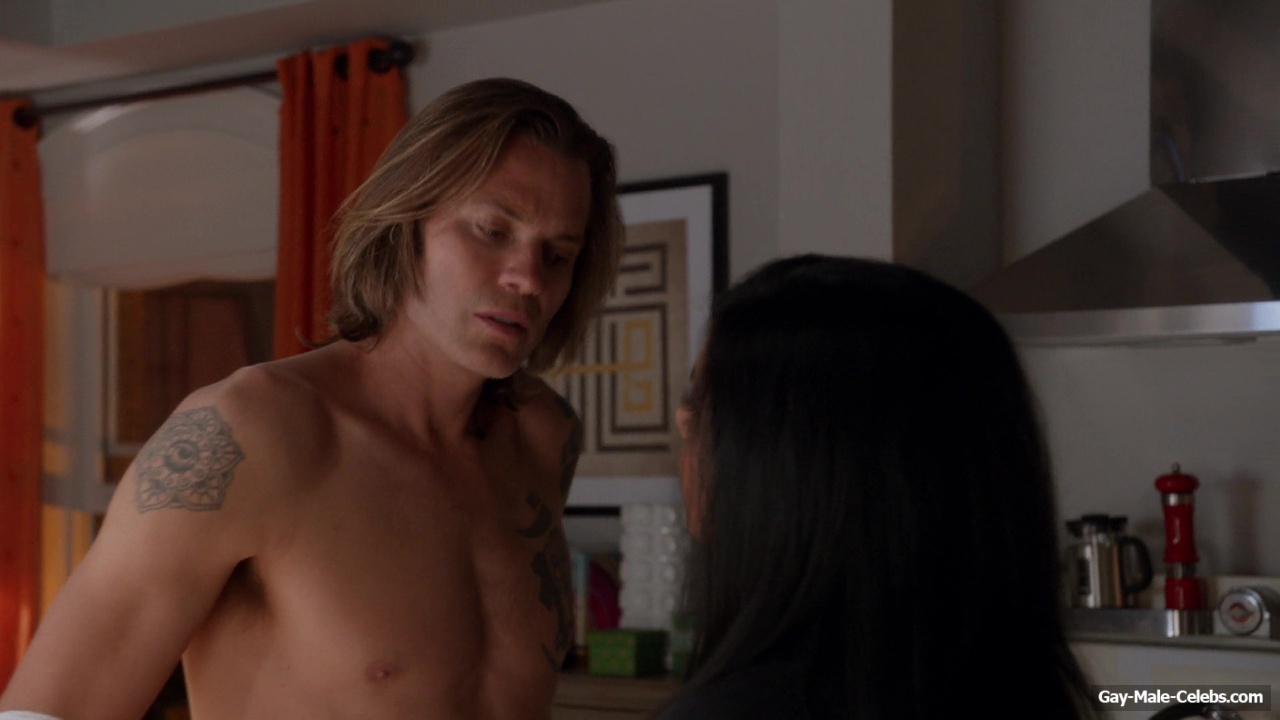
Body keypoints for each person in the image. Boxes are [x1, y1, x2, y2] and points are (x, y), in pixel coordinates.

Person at [0, 77, 623, 719]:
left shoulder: (543, 437)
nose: (528, 278)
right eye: (492, 230)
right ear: (405, 223)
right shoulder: (249, 431)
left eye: (558, 254)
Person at [660, 255, 1095, 719]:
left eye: (699, 405)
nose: (682, 422)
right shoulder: (1024, 695)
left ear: (794, 466)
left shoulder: (738, 709)